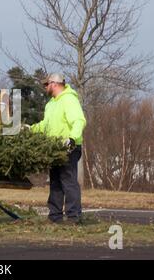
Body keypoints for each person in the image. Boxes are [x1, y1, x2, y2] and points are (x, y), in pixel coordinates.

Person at [30, 73, 86, 224]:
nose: (45, 87)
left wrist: (72, 139)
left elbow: (79, 120)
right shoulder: (51, 104)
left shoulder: (69, 99)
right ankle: (55, 217)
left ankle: (74, 217)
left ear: (54, 84)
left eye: (46, 84)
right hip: (54, 149)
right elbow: (45, 125)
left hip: (68, 147)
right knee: (55, 182)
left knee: (68, 181)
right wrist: (30, 129)